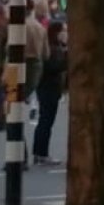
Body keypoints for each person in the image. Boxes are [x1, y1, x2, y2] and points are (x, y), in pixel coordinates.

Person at [32, 20, 69, 166]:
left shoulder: (55, 47)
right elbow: (54, 67)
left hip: (48, 87)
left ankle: (39, 152)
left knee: (45, 120)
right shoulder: (52, 49)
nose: (65, 34)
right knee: (46, 121)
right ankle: (42, 153)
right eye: (63, 31)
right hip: (49, 88)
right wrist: (67, 59)